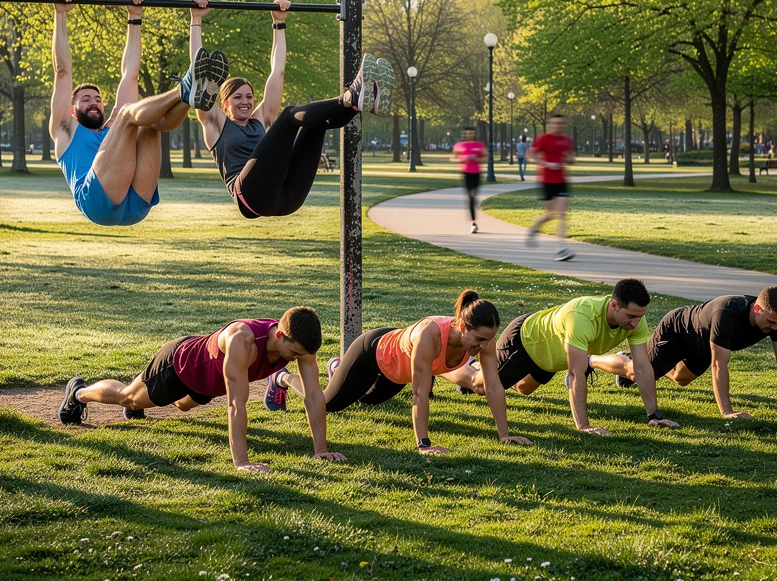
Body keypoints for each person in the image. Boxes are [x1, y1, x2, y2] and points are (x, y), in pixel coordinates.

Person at [57, 307, 346, 472]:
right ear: (280, 335)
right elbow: (236, 405)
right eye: (293, 354)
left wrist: (320, 450)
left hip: (210, 381)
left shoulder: (301, 346)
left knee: (182, 406)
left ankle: (143, 399)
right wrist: (241, 462)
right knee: (130, 399)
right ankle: (78, 392)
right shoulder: (242, 342)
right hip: (181, 366)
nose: (296, 360)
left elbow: (313, 395)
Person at [191, 0, 393, 218]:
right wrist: (196, 19)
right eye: (237, 97)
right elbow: (199, 72)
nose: (246, 102)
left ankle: (359, 104)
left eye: (249, 96)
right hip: (250, 197)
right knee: (289, 115)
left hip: (288, 198)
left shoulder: (261, 119)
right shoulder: (216, 124)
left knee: (315, 125)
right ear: (224, 103)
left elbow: (277, 71)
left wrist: (279, 24)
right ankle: (351, 96)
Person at [266, 290, 532, 454]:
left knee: (368, 400)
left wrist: (504, 434)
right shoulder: (429, 336)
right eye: (479, 339)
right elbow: (419, 392)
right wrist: (424, 444)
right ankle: (283, 378)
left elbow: (494, 387)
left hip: (395, 374)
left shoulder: (483, 340)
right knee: (327, 403)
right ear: (462, 326)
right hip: (372, 354)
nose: (485, 346)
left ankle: (337, 368)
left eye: (489, 340)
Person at [50, 0, 220, 227]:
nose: (93, 102)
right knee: (129, 113)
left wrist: (135, 17)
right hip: (96, 203)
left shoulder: (113, 128)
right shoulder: (64, 130)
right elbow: (62, 71)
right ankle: (183, 90)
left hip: (137, 204)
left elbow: (130, 76)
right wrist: (60, 15)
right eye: (85, 99)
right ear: (72, 110)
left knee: (149, 122)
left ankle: (187, 99)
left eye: (97, 99)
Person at [444, 278, 679, 435]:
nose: (636, 322)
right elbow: (576, 373)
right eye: (631, 316)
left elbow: (641, 367)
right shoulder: (583, 317)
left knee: (525, 388)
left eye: (640, 316)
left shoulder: (635, 319)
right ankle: (444, 367)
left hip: (550, 356)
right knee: (482, 385)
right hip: (526, 341)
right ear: (614, 305)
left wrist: (654, 415)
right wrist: (584, 426)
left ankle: (475, 367)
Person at [589, 287, 777, 419]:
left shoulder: (776, 320)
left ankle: (648, 363)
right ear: (757, 308)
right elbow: (719, 365)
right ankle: (594, 360)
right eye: (771, 321)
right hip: (678, 330)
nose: (774, 328)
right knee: (634, 372)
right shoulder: (727, 313)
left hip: (705, 344)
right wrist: (727, 412)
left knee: (681, 378)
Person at [526, 113, 575, 261]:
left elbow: (571, 158)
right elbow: (531, 155)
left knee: (562, 214)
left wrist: (570, 159)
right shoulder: (543, 139)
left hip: (562, 180)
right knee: (550, 214)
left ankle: (561, 249)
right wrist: (547, 164)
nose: (558, 125)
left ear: (563, 125)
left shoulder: (566, 140)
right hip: (546, 180)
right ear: (551, 124)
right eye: (555, 123)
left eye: (560, 123)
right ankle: (534, 228)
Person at [452, 127, 487, 233]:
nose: (470, 135)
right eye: (468, 133)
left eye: (472, 133)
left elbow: (486, 158)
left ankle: (473, 216)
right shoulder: (459, 146)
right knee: (471, 196)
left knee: (473, 195)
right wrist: (462, 159)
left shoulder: (479, 145)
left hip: (476, 173)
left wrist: (477, 159)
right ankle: (473, 223)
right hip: (466, 173)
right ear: (464, 134)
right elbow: (453, 158)